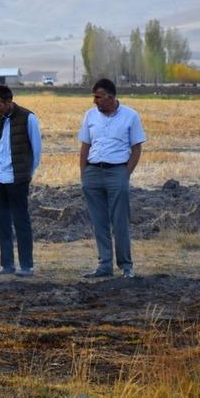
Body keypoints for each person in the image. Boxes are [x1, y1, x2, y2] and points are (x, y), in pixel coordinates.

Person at [78, 78, 146, 278]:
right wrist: (84, 174)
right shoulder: (90, 116)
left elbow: (136, 149)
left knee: (120, 221)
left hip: (117, 172)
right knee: (99, 222)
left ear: (110, 97)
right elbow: (85, 147)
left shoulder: (131, 116)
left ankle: (126, 266)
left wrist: (125, 174)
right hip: (92, 173)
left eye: (98, 97)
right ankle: (104, 265)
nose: (94, 101)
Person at [0, 84, 42, 277]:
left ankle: (27, 266)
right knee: (2, 222)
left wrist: (26, 174)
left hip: (17, 180)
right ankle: (7, 265)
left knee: (21, 222)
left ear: (8, 102)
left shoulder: (28, 118)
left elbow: (37, 150)